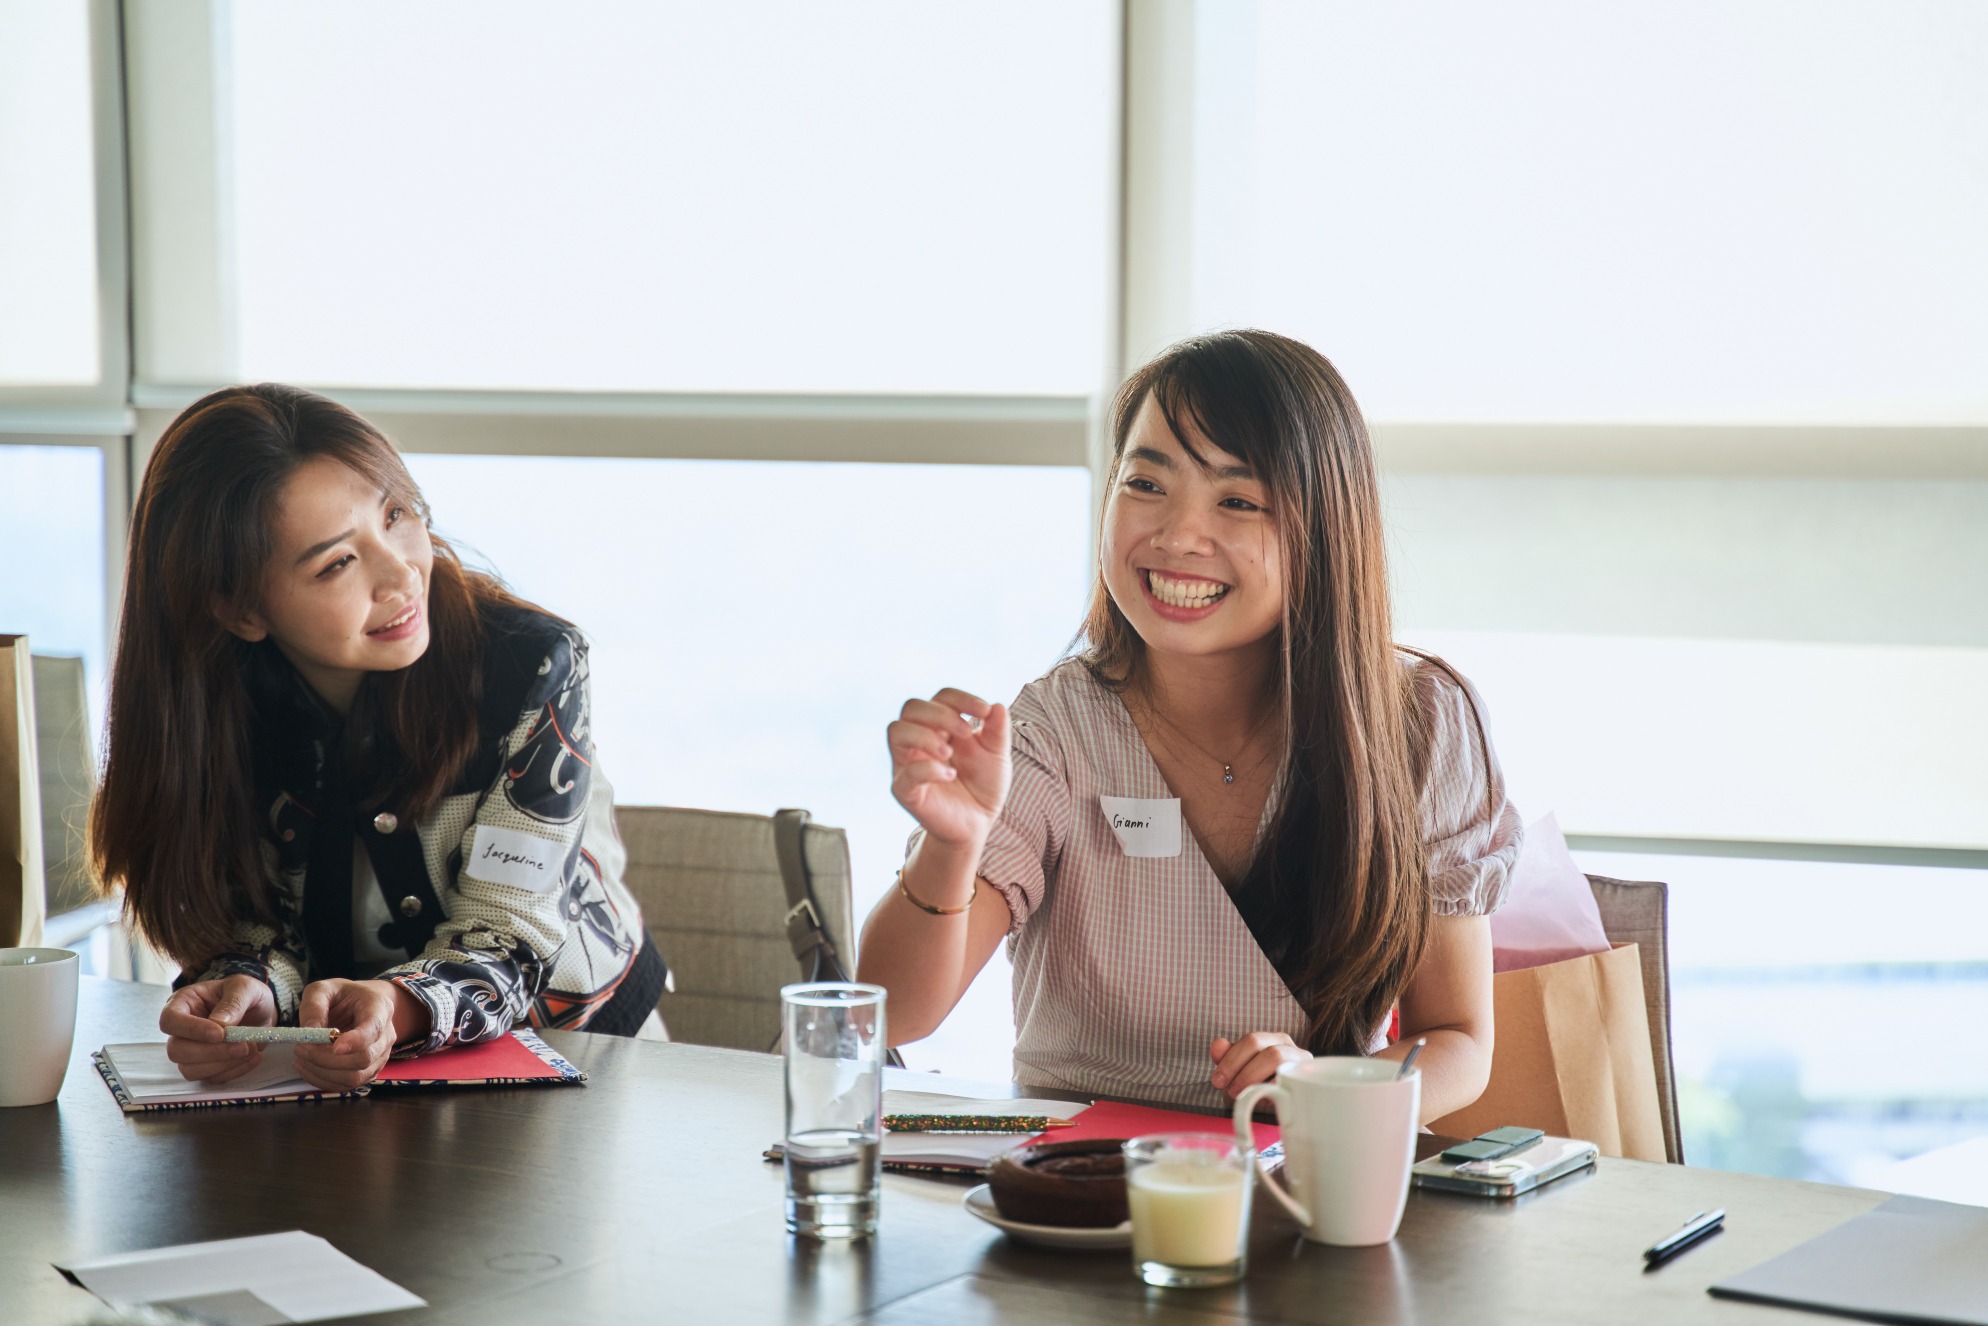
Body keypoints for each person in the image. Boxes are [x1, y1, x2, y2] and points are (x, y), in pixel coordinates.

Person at [857, 331, 1522, 1118]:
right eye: (1145, 483)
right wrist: (951, 846)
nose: (1176, 537)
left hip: (1304, 1175)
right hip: (1077, 1181)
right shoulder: (1056, 730)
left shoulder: (1420, 723)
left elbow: (1458, 1038)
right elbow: (895, 1015)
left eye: (1237, 501)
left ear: (1325, 530)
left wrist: (1327, 1092)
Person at [90, 384, 666, 1092]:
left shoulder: (531, 666)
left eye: (396, 515)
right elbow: (254, 921)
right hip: (346, 1083)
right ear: (240, 610)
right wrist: (249, 988)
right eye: (337, 562)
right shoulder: (214, 709)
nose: (401, 575)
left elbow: (508, 934)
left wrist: (395, 1007)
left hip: (587, 1059)